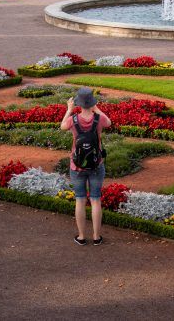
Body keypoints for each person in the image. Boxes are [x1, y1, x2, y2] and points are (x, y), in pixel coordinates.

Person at [60, 87, 111, 245]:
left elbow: (62, 126)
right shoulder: (99, 119)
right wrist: (97, 108)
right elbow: (108, 122)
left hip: (77, 166)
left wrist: (68, 110)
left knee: (80, 200)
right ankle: (96, 237)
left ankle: (81, 236)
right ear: (92, 102)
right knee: (96, 200)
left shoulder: (73, 119)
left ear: (78, 103)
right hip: (96, 164)